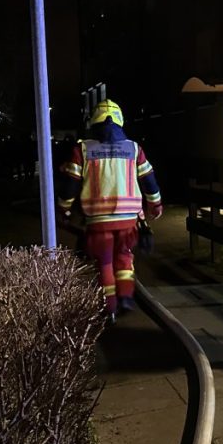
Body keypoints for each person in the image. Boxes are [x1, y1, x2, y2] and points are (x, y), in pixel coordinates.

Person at [57, 99, 163, 324]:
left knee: (104, 263)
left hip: (98, 222)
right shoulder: (134, 149)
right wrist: (156, 205)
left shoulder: (82, 149)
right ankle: (125, 297)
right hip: (128, 222)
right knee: (124, 260)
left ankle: (110, 308)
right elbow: (149, 181)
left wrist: (64, 209)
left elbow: (70, 186)